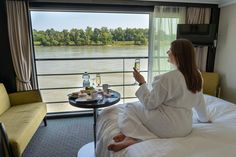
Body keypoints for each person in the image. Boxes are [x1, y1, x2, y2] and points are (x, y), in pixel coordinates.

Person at [107, 39, 211, 152]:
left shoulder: (166, 78)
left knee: (129, 108)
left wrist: (141, 82)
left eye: (170, 50)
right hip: (186, 127)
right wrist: (204, 119)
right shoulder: (197, 75)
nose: (167, 52)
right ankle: (129, 136)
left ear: (177, 55)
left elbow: (150, 104)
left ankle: (133, 137)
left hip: (167, 127)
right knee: (138, 107)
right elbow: (199, 101)